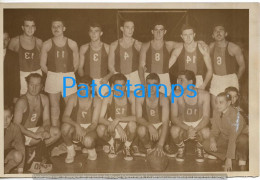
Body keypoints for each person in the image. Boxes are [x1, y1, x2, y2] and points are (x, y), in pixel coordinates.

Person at [13, 73, 61, 173]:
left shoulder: (44, 99)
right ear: (27, 84)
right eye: (31, 84)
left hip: (32, 133)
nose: (34, 88)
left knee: (56, 132)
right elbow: (16, 125)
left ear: (42, 86)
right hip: (19, 135)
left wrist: (46, 131)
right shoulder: (21, 102)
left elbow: (47, 121)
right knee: (25, 136)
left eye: (37, 85)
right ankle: (31, 153)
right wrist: (35, 135)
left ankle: (35, 153)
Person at [40, 17, 79, 127]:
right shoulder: (46, 44)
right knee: (54, 107)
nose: (56, 28)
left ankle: (70, 132)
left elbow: (76, 64)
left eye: (59, 26)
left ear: (64, 28)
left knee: (71, 106)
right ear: (51, 29)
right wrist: (53, 74)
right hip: (53, 76)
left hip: (68, 76)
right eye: (54, 26)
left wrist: (66, 73)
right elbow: (43, 65)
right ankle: (55, 134)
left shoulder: (72, 43)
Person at [170, 70, 210, 162]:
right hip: (184, 125)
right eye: (177, 80)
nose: (177, 83)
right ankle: (181, 147)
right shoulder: (175, 94)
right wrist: (188, 128)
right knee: (174, 130)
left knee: (207, 132)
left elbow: (206, 117)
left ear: (190, 82)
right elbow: (174, 117)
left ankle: (199, 148)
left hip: (198, 125)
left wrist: (194, 130)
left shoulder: (204, 94)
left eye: (181, 80)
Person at [203, 92, 248, 171]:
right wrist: (213, 140)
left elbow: (233, 138)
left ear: (229, 103)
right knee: (206, 144)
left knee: (243, 139)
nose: (218, 105)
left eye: (221, 102)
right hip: (226, 139)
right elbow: (214, 131)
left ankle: (241, 157)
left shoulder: (236, 115)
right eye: (216, 102)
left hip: (237, 139)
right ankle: (233, 155)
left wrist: (228, 159)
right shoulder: (216, 112)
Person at [61, 75, 102, 163]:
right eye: (80, 87)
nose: (81, 90)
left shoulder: (97, 100)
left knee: (88, 141)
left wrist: (84, 131)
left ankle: (91, 150)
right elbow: (64, 117)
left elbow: (94, 123)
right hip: (76, 127)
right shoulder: (73, 97)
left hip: (90, 128)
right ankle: (71, 151)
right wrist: (77, 126)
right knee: (65, 128)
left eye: (84, 88)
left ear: (91, 88)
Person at [97, 73, 136, 161]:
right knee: (100, 129)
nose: (121, 88)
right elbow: (100, 118)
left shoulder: (131, 95)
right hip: (113, 125)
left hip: (127, 123)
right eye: (118, 86)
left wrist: (118, 119)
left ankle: (127, 146)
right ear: (112, 86)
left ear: (126, 85)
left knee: (133, 124)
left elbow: (137, 117)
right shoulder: (108, 95)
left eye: (123, 85)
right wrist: (117, 125)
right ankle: (112, 144)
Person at [139, 22, 181, 96]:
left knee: (167, 100)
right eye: (156, 30)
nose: (158, 32)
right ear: (152, 31)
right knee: (148, 101)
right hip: (149, 76)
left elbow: (185, 44)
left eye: (161, 30)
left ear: (165, 32)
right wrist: (143, 83)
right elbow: (141, 66)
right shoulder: (145, 45)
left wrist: (199, 42)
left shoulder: (169, 44)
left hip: (164, 76)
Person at [209, 24, 245, 109]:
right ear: (212, 35)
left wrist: (236, 79)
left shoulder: (234, 47)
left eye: (221, 30)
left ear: (226, 34)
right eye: (216, 31)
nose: (218, 32)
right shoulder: (211, 46)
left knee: (231, 108)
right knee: (216, 108)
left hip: (230, 78)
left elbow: (242, 66)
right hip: (216, 78)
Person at [169, 24, 213, 89]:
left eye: (190, 34)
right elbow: (167, 67)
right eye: (185, 35)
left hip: (197, 79)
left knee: (196, 99)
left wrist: (204, 84)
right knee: (181, 99)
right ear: (181, 36)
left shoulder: (202, 48)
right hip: (182, 79)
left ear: (194, 35)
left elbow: (210, 70)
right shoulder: (178, 49)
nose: (188, 37)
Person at [136, 73, 169, 156]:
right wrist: (149, 125)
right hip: (148, 126)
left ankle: (162, 145)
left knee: (163, 129)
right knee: (141, 130)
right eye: (149, 84)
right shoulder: (140, 96)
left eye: (155, 84)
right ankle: (148, 148)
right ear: (145, 85)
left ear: (159, 86)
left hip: (160, 126)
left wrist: (160, 144)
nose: (151, 87)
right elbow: (139, 118)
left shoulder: (163, 98)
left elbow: (165, 122)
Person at [8, 15, 43, 95]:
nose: (30, 29)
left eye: (32, 26)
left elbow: (43, 60)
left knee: (36, 99)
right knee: (22, 99)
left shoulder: (39, 42)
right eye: (27, 26)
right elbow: (8, 61)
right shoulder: (15, 41)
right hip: (21, 75)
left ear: (35, 28)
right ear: (23, 27)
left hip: (37, 73)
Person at [78, 23, 111, 96]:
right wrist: (86, 81)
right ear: (89, 33)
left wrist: (107, 77)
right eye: (91, 31)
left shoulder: (108, 48)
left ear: (101, 33)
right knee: (89, 105)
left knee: (104, 105)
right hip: (88, 82)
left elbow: (113, 68)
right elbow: (80, 68)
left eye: (96, 31)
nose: (93, 34)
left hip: (102, 81)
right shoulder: (84, 48)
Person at [108, 20, 142, 91]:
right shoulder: (114, 45)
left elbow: (144, 63)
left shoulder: (138, 44)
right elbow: (110, 65)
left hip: (134, 76)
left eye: (132, 28)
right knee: (117, 99)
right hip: (118, 76)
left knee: (134, 99)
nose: (130, 30)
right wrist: (118, 77)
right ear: (122, 29)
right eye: (127, 27)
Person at [4, 105, 25, 174]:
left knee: (18, 155)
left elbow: (21, 148)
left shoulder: (15, 128)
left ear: (12, 117)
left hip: (5, 151)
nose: (5, 121)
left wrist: (20, 171)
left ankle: (5, 170)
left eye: (8, 117)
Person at [4, 30, 20, 106]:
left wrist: (16, 95)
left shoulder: (14, 56)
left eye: (5, 39)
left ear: (9, 40)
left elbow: (16, 77)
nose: (3, 42)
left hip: (8, 94)